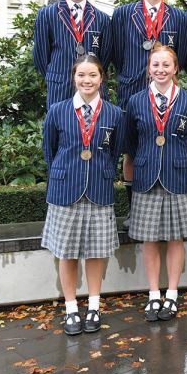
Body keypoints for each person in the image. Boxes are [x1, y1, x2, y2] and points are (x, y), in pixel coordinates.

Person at [41, 55, 125, 335]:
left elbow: (115, 152)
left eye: (92, 75)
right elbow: (49, 151)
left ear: (102, 78)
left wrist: (101, 172)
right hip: (66, 189)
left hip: (99, 189)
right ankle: (70, 308)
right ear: (73, 78)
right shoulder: (57, 110)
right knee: (67, 253)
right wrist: (66, 173)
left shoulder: (114, 114)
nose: (87, 81)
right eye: (81, 75)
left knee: (97, 252)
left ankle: (93, 305)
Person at [124, 43, 187, 322]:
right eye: (155, 65)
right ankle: (153, 294)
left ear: (175, 69)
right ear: (149, 68)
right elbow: (131, 144)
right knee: (149, 239)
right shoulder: (135, 101)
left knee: (175, 238)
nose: (160, 70)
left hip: (178, 176)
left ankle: (171, 293)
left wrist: (177, 161)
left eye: (166, 65)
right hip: (146, 177)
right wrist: (146, 160)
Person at [111, 0, 187, 227]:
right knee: (131, 151)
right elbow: (116, 53)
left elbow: (184, 53)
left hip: (167, 91)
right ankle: (134, 210)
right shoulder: (122, 14)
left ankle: (165, 207)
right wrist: (133, 74)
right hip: (132, 89)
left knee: (167, 146)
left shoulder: (178, 17)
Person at [33, 0, 112, 108]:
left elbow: (105, 59)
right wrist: (58, 76)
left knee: (93, 131)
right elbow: (41, 57)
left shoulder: (101, 19)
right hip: (60, 89)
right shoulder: (47, 14)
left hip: (93, 91)